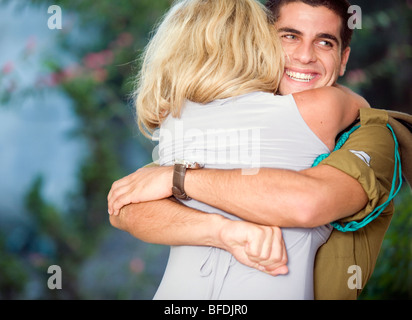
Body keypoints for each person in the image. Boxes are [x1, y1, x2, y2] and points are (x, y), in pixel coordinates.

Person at [108, 0, 411, 299]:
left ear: (344, 59)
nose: (305, 56)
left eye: (324, 43)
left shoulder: (372, 134)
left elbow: (308, 203)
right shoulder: (201, 126)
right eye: (290, 37)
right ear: (261, 41)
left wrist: (181, 180)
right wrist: (220, 230)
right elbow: (126, 208)